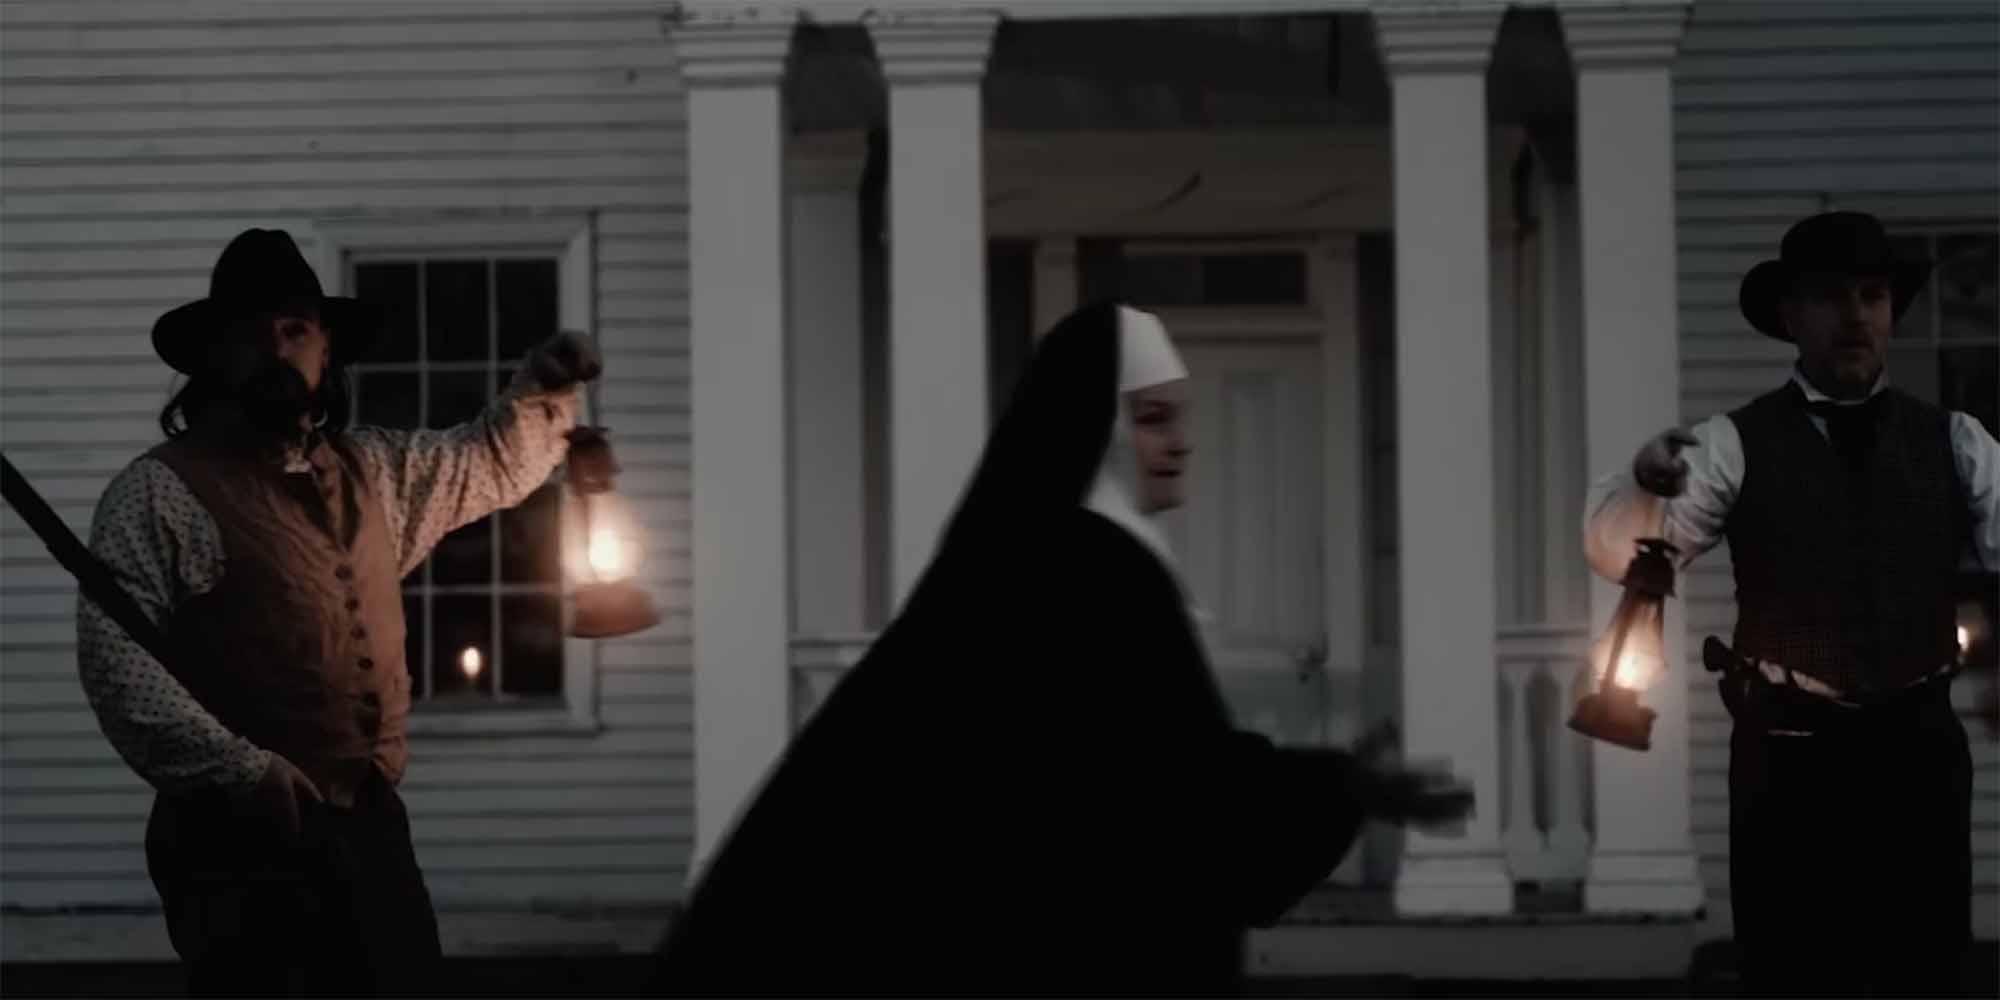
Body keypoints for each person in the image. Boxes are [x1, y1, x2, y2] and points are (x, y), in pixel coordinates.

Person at [657, 301, 1474, 994]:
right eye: (1151, 419)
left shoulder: (1021, 557)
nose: (1180, 443)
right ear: (1093, 428)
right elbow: (1179, 788)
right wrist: (1346, 787)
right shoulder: (1090, 570)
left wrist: (1334, 786)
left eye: (1177, 417)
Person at [76, 228, 602, 995]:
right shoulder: (158, 494)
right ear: (214, 358)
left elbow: (486, 461)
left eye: (295, 328)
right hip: (238, 845)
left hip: (369, 831)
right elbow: (116, 664)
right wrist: (241, 771)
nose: (275, 348)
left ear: (326, 351)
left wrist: (544, 389)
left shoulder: (377, 473)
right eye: (250, 332)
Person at [1583, 211, 1997, 995]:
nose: (1855, 316)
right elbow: (1620, 551)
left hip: (1918, 749)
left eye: (1872, 296)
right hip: (1789, 756)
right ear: (1790, 316)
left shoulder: (1957, 443)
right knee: (1792, 970)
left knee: (1928, 968)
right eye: (1831, 297)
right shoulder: (1730, 445)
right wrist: (1644, 481)